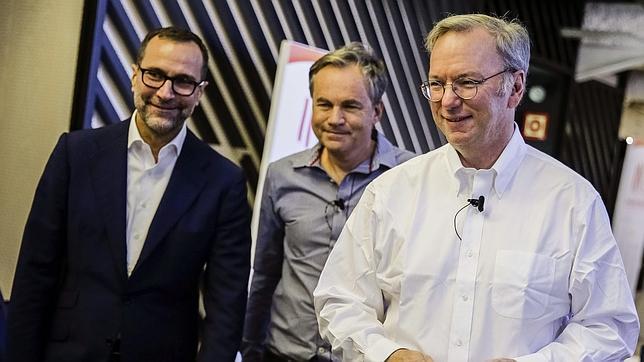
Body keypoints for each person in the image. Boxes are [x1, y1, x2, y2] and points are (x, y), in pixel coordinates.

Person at [314, 14, 640, 362]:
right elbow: (339, 300)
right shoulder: (391, 193)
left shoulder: (572, 202)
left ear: (515, 87)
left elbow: (610, 327)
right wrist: (388, 354)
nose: (447, 100)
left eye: (467, 82)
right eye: (436, 84)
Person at [6, 27, 251, 362]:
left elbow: (226, 305)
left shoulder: (224, 181)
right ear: (135, 75)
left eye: (183, 81)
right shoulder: (75, 154)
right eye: (155, 75)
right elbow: (36, 272)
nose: (165, 93)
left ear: (199, 93)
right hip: (69, 352)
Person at [242, 42, 415, 361]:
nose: (334, 118)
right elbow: (265, 272)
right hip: (285, 354)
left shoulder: (412, 178)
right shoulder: (281, 176)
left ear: (376, 111)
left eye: (350, 106)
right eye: (324, 104)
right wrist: (250, 348)